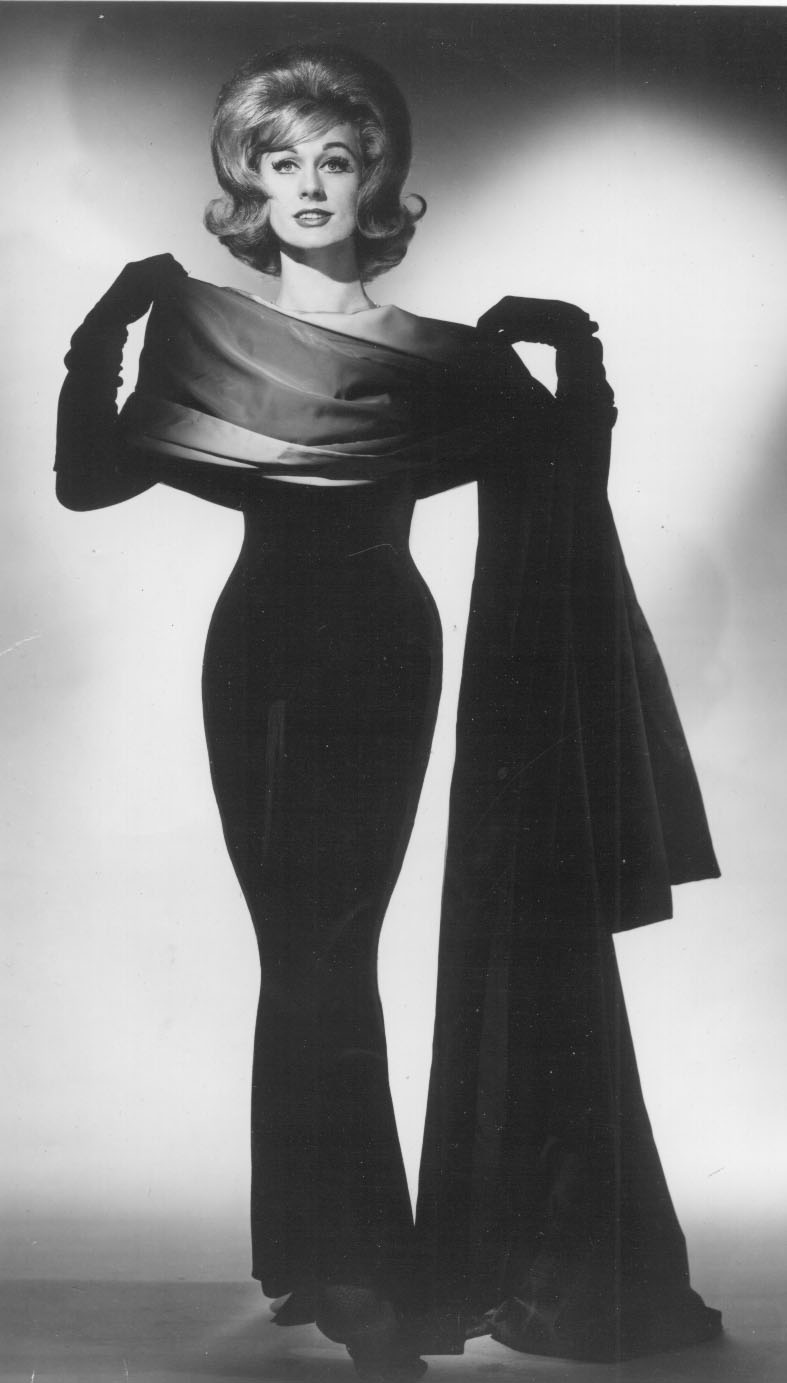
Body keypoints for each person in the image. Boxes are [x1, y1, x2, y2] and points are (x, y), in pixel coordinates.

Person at [55, 44, 722, 1382]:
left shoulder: (441, 359)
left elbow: (564, 483)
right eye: (281, 160)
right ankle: (324, 1253)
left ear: (377, 183)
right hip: (255, 653)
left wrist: (576, 353)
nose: (309, 184)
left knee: (329, 942)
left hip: (379, 652)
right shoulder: (207, 334)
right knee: (294, 946)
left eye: (337, 159)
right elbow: (89, 482)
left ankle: (352, 1264)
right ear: (249, 183)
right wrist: (102, 336)